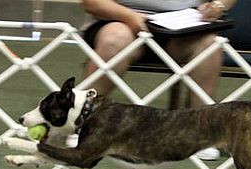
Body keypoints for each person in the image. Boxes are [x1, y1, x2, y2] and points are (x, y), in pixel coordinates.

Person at [80, 0, 236, 160]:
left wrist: (218, 6)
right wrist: (130, 16)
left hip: (183, 26)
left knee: (209, 43)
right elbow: (92, 3)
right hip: (120, 20)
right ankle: (84, 121)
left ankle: (202, 131)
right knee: (115, 38)